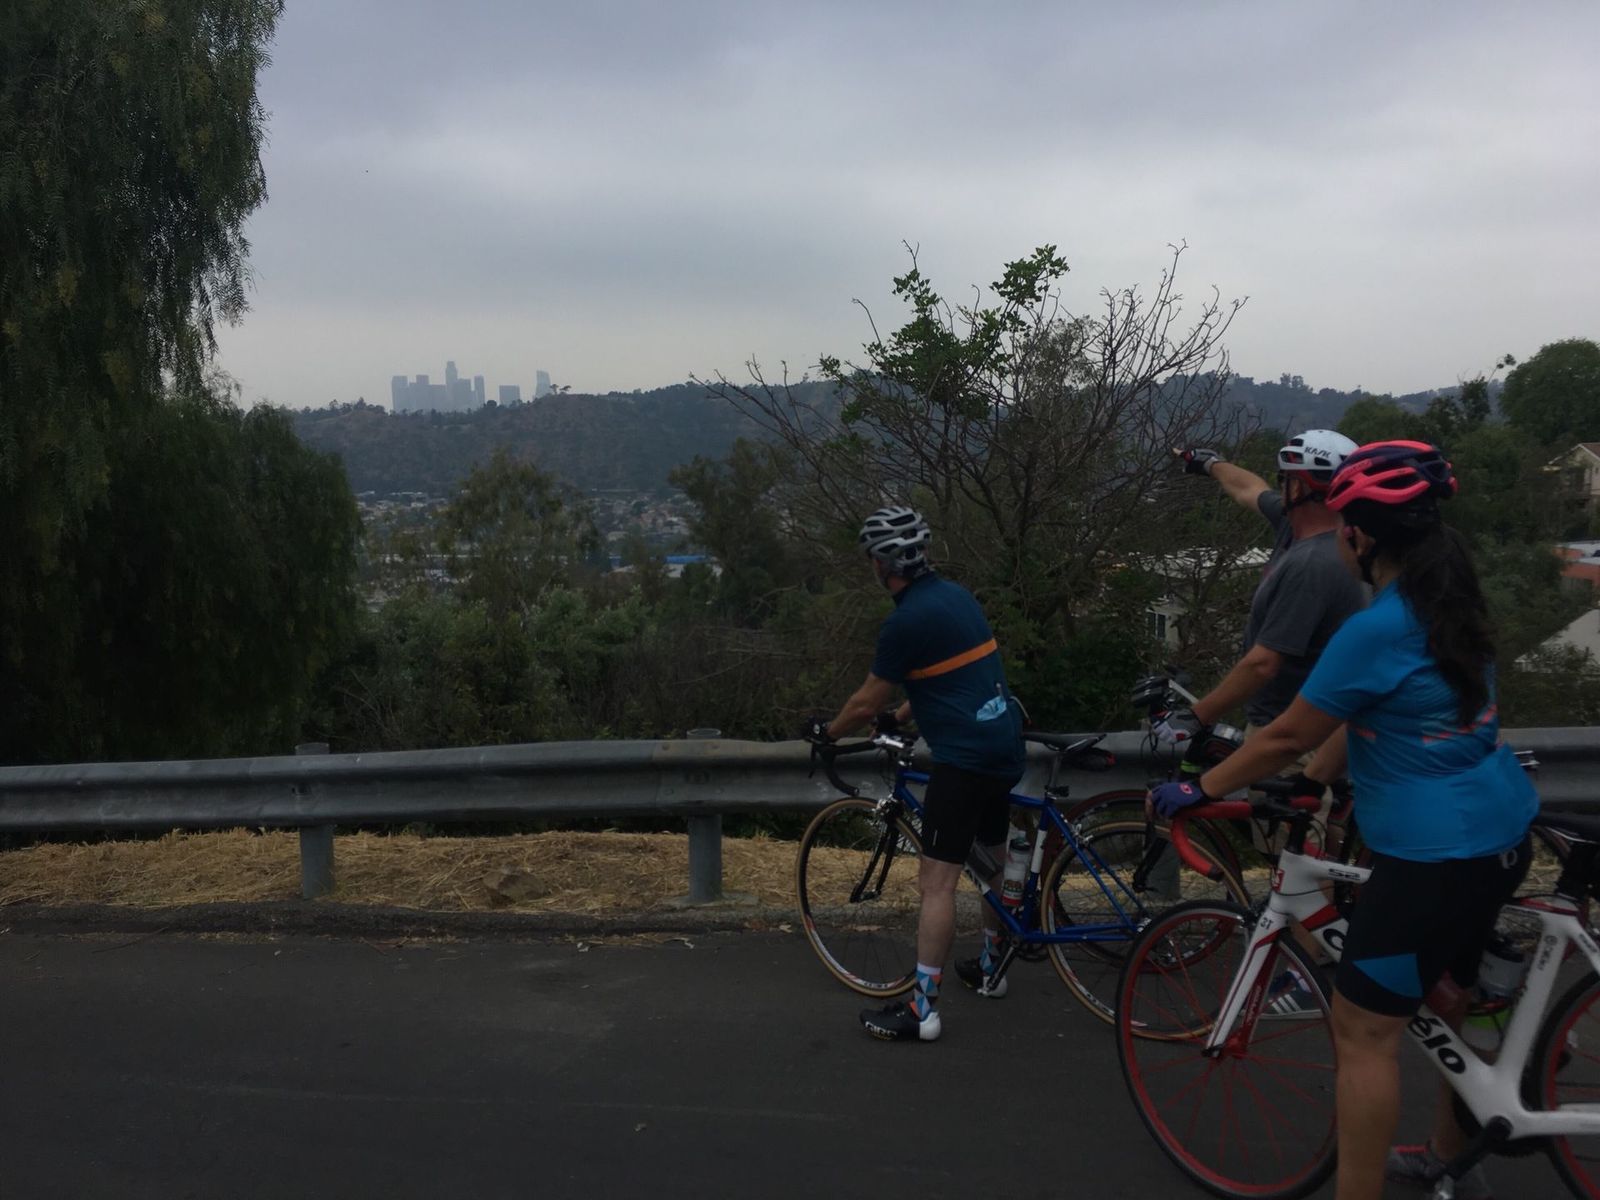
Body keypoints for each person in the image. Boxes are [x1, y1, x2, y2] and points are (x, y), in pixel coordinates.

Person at [1149, 441, 1537, 1200]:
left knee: (1362, 1034)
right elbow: (1367, 719)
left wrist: (1198, 789)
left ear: (1358, 535)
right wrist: (1313, 781)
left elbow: (1288, 732)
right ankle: (1450, 1158)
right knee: (1451, 1000)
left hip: (1431, 857)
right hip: (1500, 830)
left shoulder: (1377, 626)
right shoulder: (1451, 602)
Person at [804, 505, 1025, 1043]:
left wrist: (829, 733)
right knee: (992, 860)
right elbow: (950, 675)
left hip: (964, 760)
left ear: (882, 563)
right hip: (1003, 743)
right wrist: (901, 717)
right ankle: (992, 969)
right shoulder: (957, 597)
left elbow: (864, 701)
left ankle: (923, 1010)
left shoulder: (904, 622)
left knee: (937, 884)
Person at [1158, 430, 1364, 751]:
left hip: (1292, 738)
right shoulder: (1301, 528)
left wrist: (1197, 715)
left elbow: (1264, 663)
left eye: (1285, 479)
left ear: (1297, 487)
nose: (1280, 487)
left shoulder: (1313, 563)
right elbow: (1249, 489)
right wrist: (1210, 464)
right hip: (1296, 727)